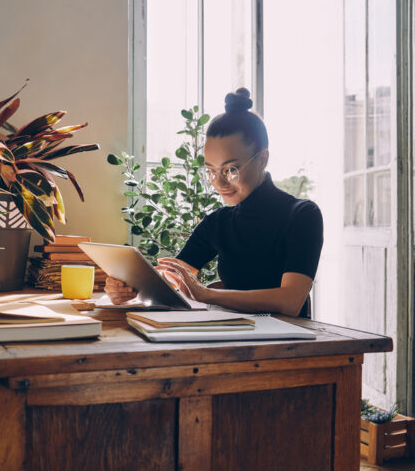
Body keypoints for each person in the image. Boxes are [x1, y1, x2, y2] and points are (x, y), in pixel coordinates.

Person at [105, 88, 323, 318]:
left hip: (290, 343)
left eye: (230, 169)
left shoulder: (302, 215)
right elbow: (171, 278)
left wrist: (207, 295)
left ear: (262, 159)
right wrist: (130, 289)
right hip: (233, 336)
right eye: (211, 171)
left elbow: (290, 301)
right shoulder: (219, 222)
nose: (219, 182)